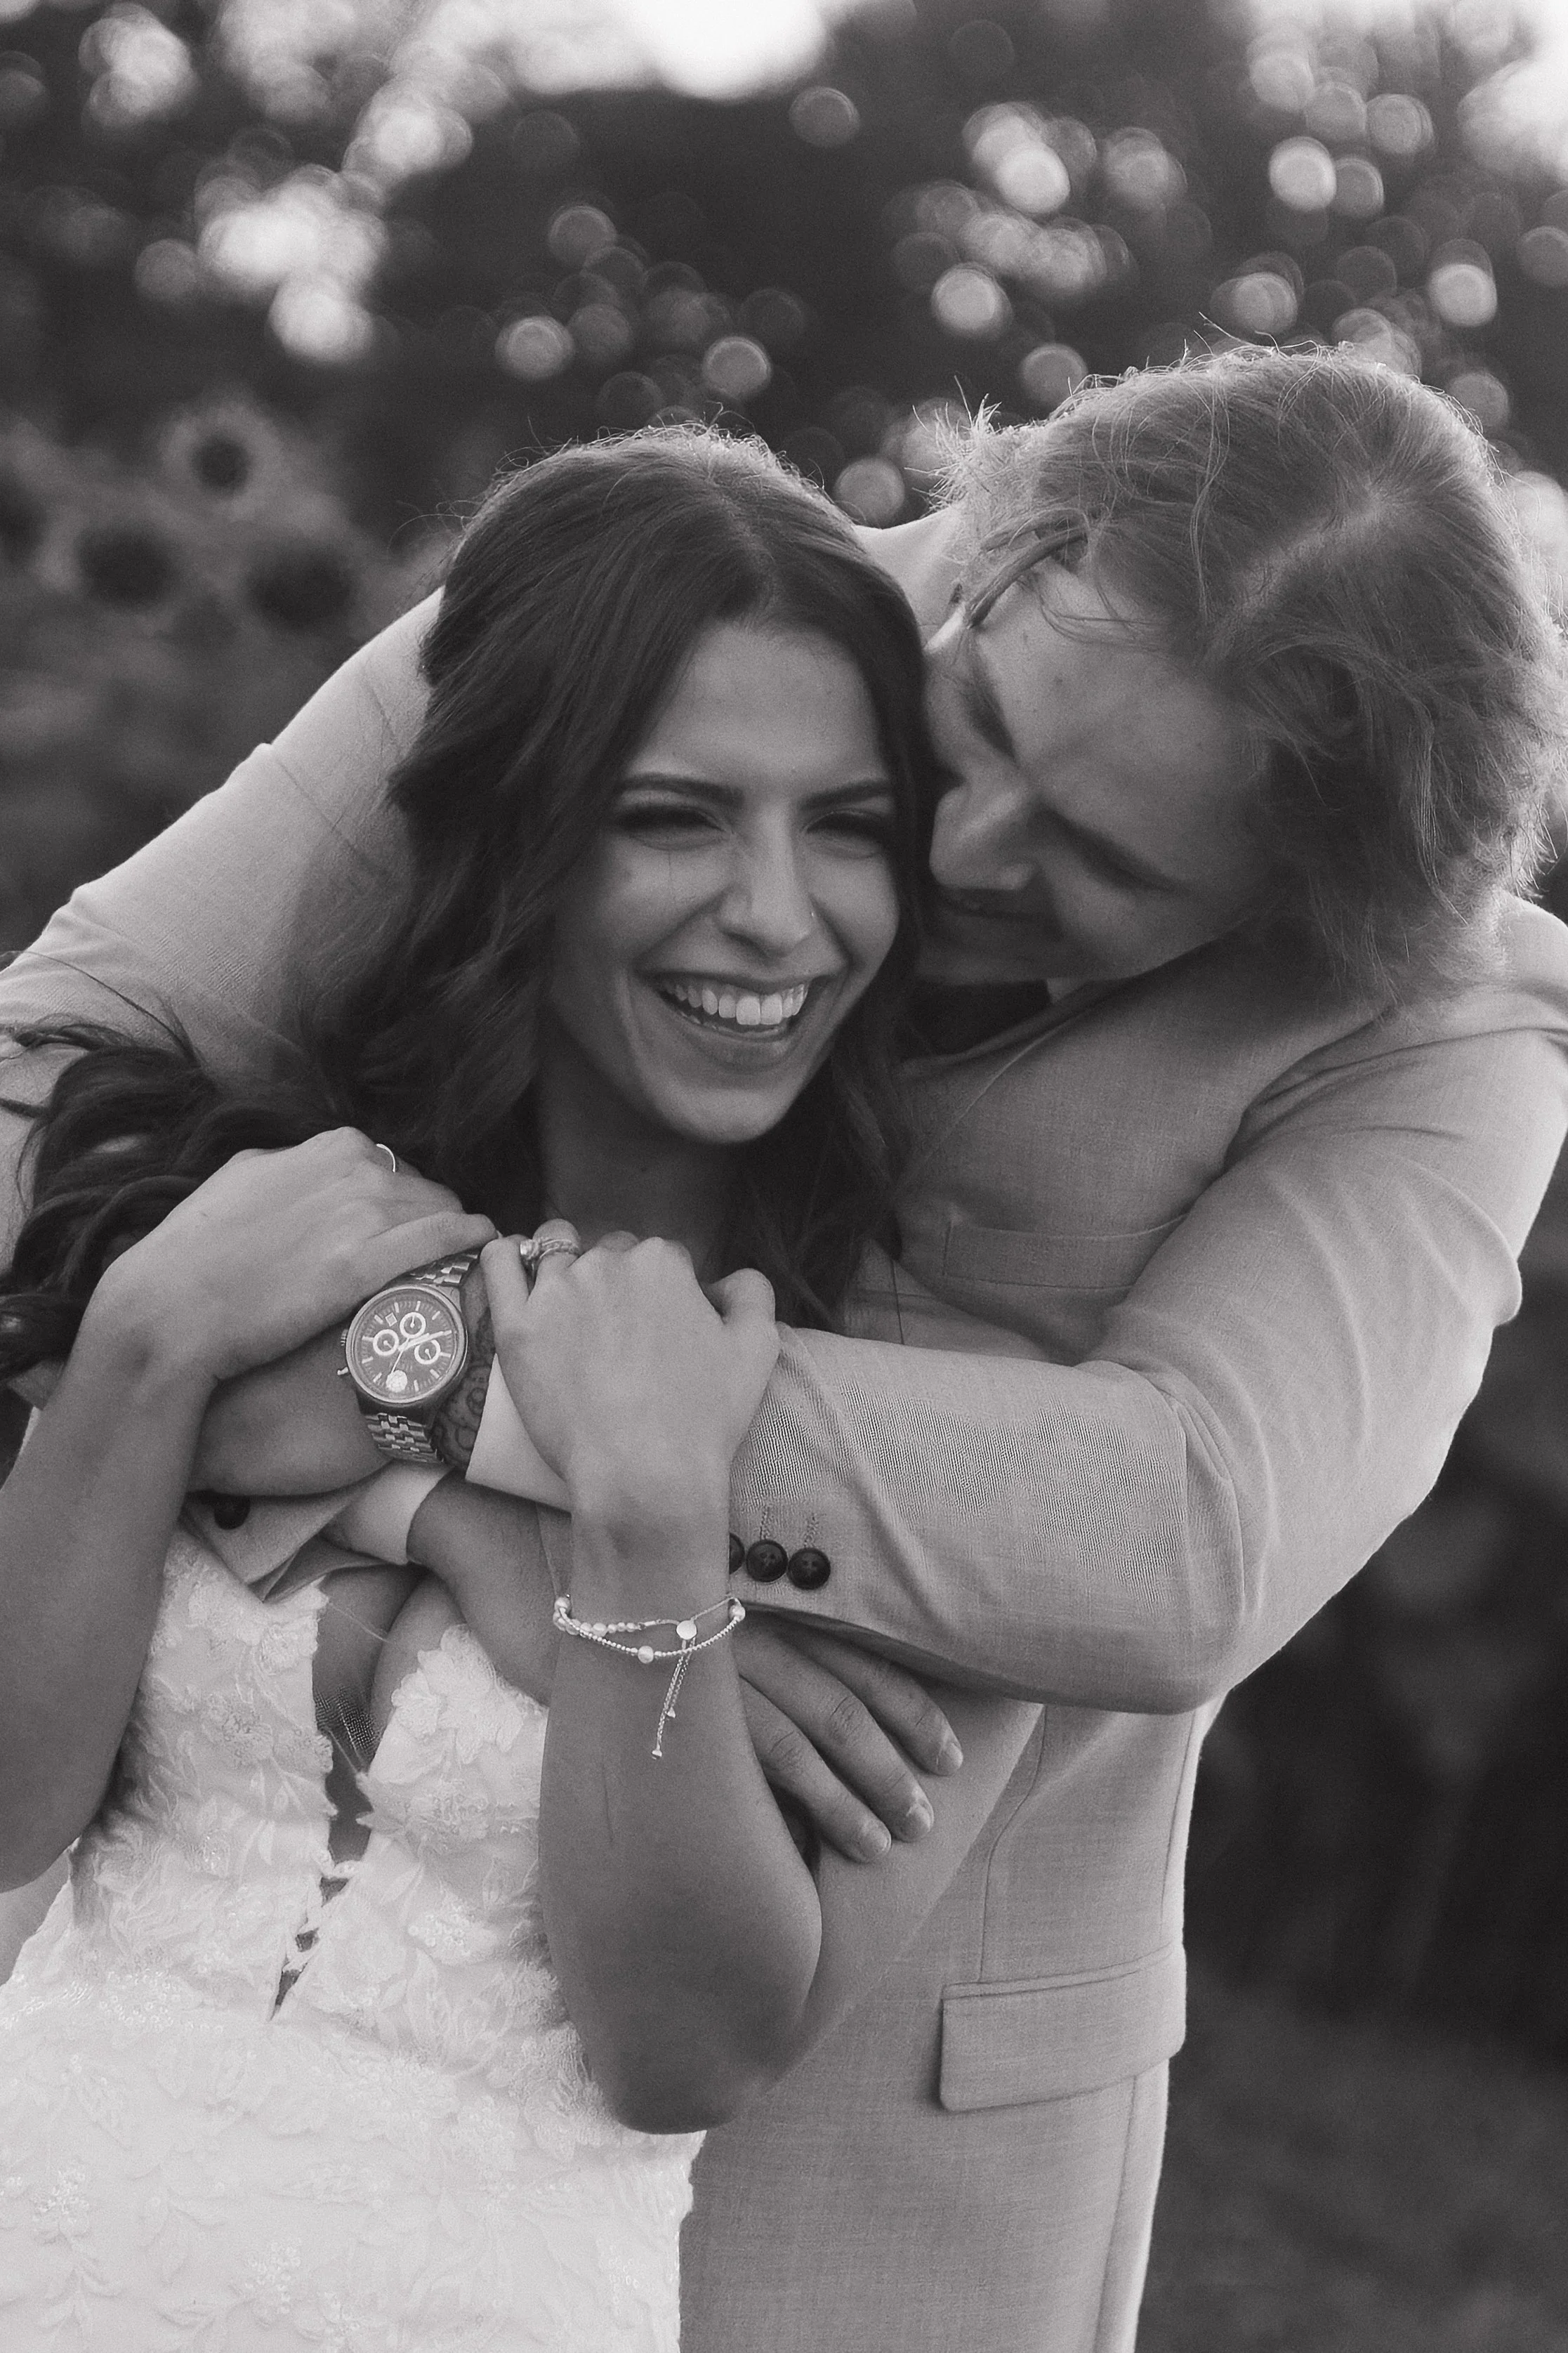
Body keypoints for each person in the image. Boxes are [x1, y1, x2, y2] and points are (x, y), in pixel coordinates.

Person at [4, 346, 1567, 2351]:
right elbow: (43, 1084)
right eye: (973, 723)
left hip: (887, 2130)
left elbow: (1180, 1528)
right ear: (1006, 550)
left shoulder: (1439, 1017)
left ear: (1293, 911)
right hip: (215, 2054)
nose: (964, 849)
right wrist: (438, 1453)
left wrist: (471, 1378)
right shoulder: (632, 623)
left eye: (1106, 871)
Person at [0, 428, 1039, 2349]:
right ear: (522, 834)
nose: (777, 912)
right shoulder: (252, 1216)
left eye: (849, 824)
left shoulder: (917, 1398)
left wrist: (646, 1536)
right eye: (674, 817)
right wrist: (150, 1350)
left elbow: (685, 2046)